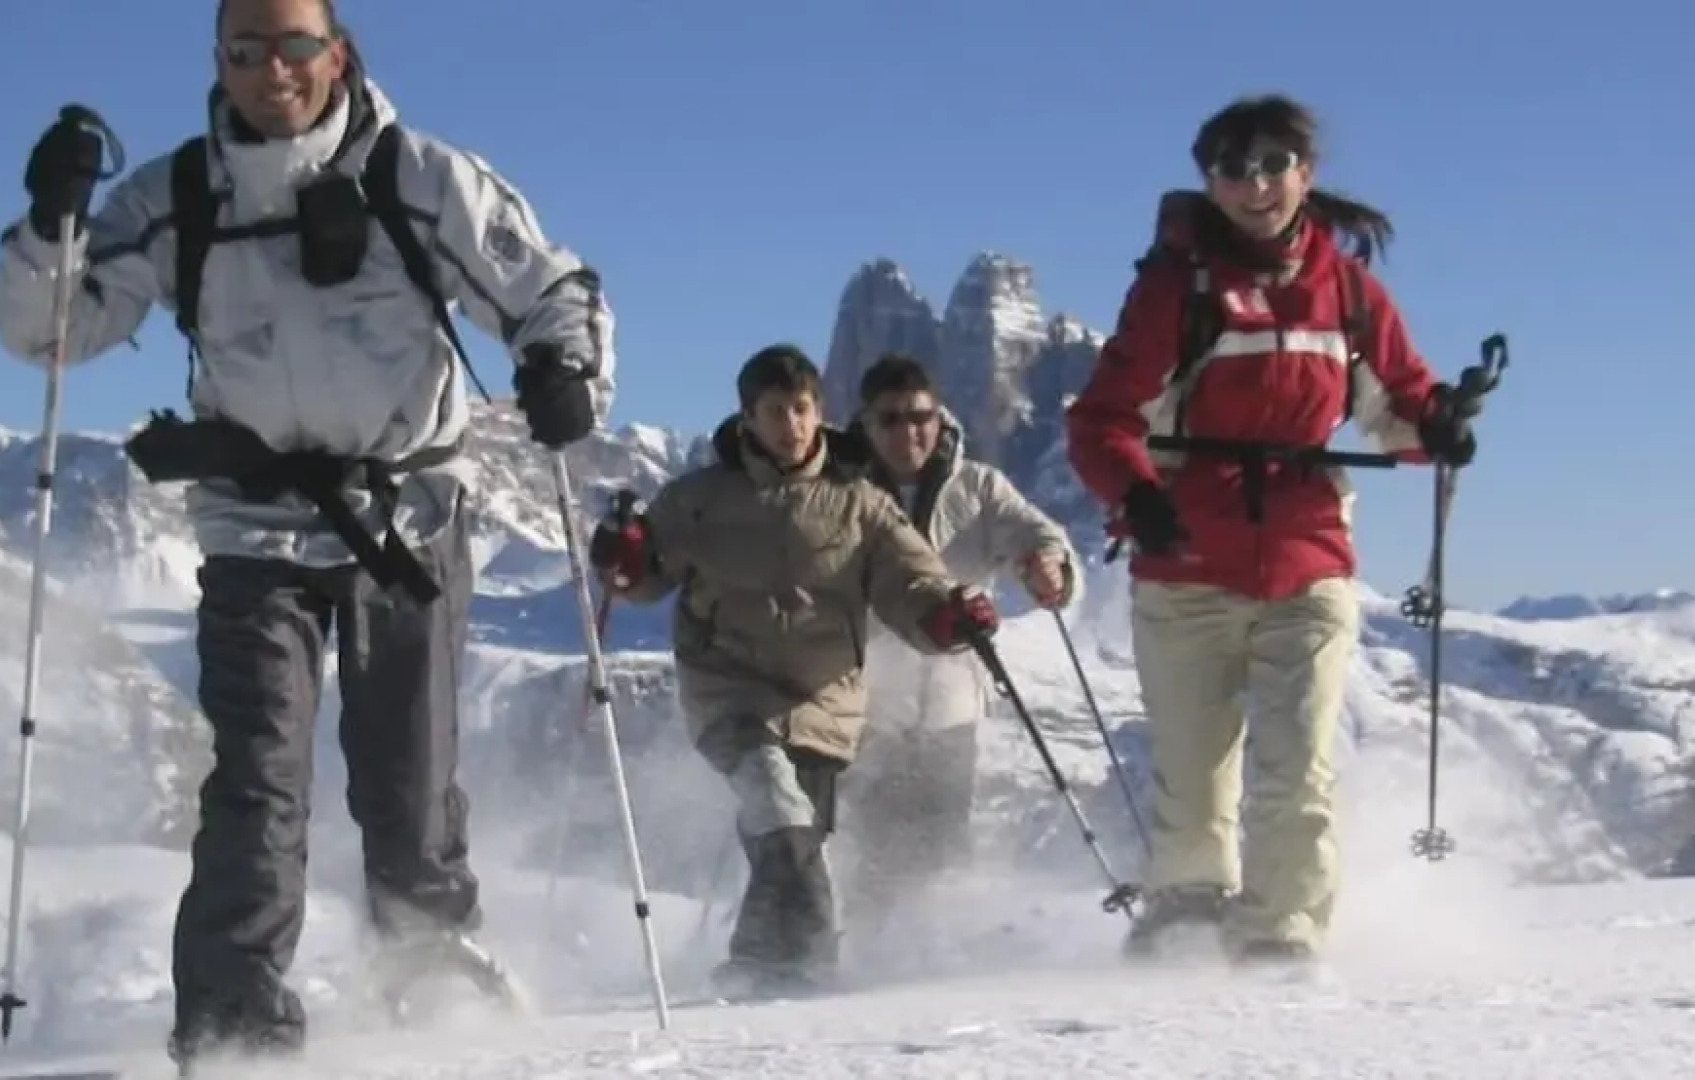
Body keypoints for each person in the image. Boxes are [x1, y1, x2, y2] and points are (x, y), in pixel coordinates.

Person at [0, 0, 613, 1069]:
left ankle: (432, 994)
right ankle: (235, 1033)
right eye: (245, 50)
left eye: (294, 46)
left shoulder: (420, 178)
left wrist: (564, 370)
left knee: (407, 784)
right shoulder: (178, 195)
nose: (271, 70)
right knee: (257, 780)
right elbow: (52, 330)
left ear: (338, 53)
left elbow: (548, 286)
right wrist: (49, 228)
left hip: (404, 519)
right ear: (218, 61)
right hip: (250, 527)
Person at [1063, 94, 1478, 966]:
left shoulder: (1349, 293)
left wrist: (1439, 424)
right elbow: (1103, 418)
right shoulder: (1176, 290)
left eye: (1271, 164)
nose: (1254, 185)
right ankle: (1185, 914)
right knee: (1194, 775)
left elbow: (1399, 404)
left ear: (1305, 172)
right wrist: (1137, 497)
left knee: (1297, 766)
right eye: (1231, 168)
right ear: (1208, 181)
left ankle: (1278, 939)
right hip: (1185, 561)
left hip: (1307, 557)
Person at [588, 344, 1000, 996]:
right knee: (780, 815)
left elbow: (912, 581)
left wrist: (948, 617)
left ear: (821, 411)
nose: (791, 425)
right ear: (747, 418)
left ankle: (754, 970)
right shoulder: (698, 499)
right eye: (774, 411)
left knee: (793, 841)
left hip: (823, 703)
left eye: (802, 409)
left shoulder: (858, 502)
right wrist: (625, 555)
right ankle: (812, 978)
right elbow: (638, 580)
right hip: (728, 693)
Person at [836, 353, 1078, 936]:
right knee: (869, 834)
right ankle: (865, 952)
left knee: (941, 837)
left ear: (940, 417)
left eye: (919, 416)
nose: (907, 432)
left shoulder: (977, 487)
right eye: (889, 419)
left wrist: (1050, 567)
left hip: (951, 701)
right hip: (867, 700)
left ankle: (923, 956)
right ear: (865, 425)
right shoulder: (838, 490)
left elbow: (1041, 535)